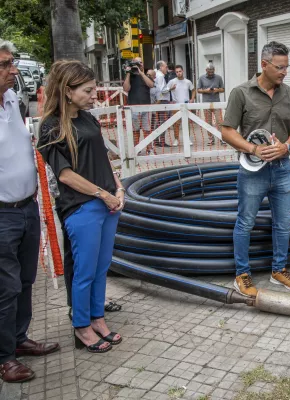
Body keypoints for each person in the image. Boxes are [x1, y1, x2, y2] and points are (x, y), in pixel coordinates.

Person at [38, 60, 124, 353]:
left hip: (108, 202)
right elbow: (65, 175)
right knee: (84, 271)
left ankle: (97, 318)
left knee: (101, 268)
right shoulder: (51, 127)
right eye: (87, 90)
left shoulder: (88, 118)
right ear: (67, 90)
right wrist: (103, 194)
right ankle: (82, 326)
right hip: (82, 206)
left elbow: (102, 157)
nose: (94, 95)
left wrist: (118, 186)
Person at [221, 41, 290, 297]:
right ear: (264, 65)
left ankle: (279, 270)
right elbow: (226, 131)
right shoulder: (241, 93)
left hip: (282, 168)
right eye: (279, 67)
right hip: (252, 171)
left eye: (286, 66)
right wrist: (253, 149)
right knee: (245, 222)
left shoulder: (289, 94)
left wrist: (286, 148)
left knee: (283, 224)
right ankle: (242, 275)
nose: (284, 72)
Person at [0, 39, 59, 384]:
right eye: (5, 65)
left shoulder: (11, 99)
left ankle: (19, 340)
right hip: (3, 214)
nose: (13, 70)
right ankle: (4, 357)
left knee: (23, 281)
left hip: (26, 208)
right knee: (5, 287)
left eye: (11, 63)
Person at [122, 57, 154, 150]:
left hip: (146, 107)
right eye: (136, 62)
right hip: (134, 107)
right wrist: (128, 73)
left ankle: (149, 149)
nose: (139, 64)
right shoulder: (130, 77)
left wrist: (141, 73)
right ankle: (136, 150)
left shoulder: (146, 76)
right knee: (135, 130)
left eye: (140, 62)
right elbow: (126, 88)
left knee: (147, 130)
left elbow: (151, 85)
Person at [197, 62, 225, 145]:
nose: (211, 73)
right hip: (206, 103)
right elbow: (198, 90)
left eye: (212, 72)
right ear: (206, 70)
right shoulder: (201, 78)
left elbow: (223, 89)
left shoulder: (219, 78)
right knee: (208, 122)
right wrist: (205, 91)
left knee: (219, 121)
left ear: (214, 70)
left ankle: (221, 138)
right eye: (209, 72)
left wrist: (217, 90)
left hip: (216, 102)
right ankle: (211, 139)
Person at [167, 65, 195, 144]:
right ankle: (176, 139)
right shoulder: (172, 81)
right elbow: (164, 91)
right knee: (176, 123)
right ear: (175, 73)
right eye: (177, 72)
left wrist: (192, 99)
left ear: (183, 71)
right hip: (176, 104)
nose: (179, 73)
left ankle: (187, 139)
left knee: (186, 123)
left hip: (186, 104)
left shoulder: (188, 81)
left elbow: (193, 90)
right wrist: (171, 89)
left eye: (180, 71)